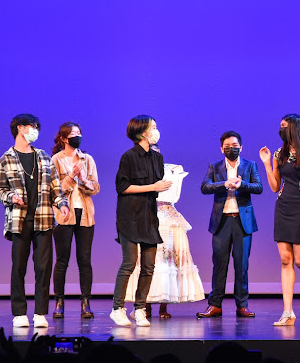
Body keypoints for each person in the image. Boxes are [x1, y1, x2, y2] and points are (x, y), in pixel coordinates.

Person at [0, 114, 70, 328]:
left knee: (43, 267)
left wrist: (62, 204)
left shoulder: (44, 157)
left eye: (37, 126)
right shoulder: (5, 159)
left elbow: (56, 188)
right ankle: (19, 313)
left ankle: (40, 313)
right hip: (19, 220)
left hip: (44, 219)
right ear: (20, 128)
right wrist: (12, 197)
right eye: (31, 126)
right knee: (19, 267)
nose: (35, 130)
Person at [124, 142, 205, 318]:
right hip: (147, 217)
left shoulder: (170, 170)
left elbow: (174, 193)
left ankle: (163, 307)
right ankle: (143, 306)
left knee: (168, 262)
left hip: (168, 218)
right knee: (146, 262)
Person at [259, 114, 300, 326]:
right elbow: (275, 187)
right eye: (280, 126)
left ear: (294, 128)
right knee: (286, 260)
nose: (281, 129)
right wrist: (267, 164)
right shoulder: (280, 153)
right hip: (283, 206)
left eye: (284, 126)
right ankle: (288, 312)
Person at [110, 115, 172, 327]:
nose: (156, 130)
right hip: (129, 216)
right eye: (153, 127)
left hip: (148, 216)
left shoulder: (157, 157)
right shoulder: (128, 156)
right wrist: (153, 187)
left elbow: (158, 184)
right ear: (142, 132)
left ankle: (140, 309)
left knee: (149, 266)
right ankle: (117, 308)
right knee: (129, 263)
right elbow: (123, 187)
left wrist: (165, 185)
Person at [197, 131, 263, 318]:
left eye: (234, 146)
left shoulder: (250, 165)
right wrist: (225, 184)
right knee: (219, 264)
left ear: (241, 147)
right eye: (227, 146)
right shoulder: (215, 166)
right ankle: (215, 304)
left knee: (241, 265)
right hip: (222, 221)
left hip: (243, 222)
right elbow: (205, 187)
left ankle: (242, 305)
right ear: (221, 148)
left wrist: (241, 185)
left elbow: (258, 187)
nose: (231, 149)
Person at [51, 122, 100, 319]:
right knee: (62, 260)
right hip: (64, 215)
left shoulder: (87, 159)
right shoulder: (55, 160)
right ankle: (59, 302)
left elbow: (95, 188)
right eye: (73, 134)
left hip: (85, 214)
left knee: (85, 260)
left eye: (79, 133)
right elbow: (56, 190)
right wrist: (71, 176)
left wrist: (84, 179)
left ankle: (85, 302)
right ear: (63, 138)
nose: (77, 136)